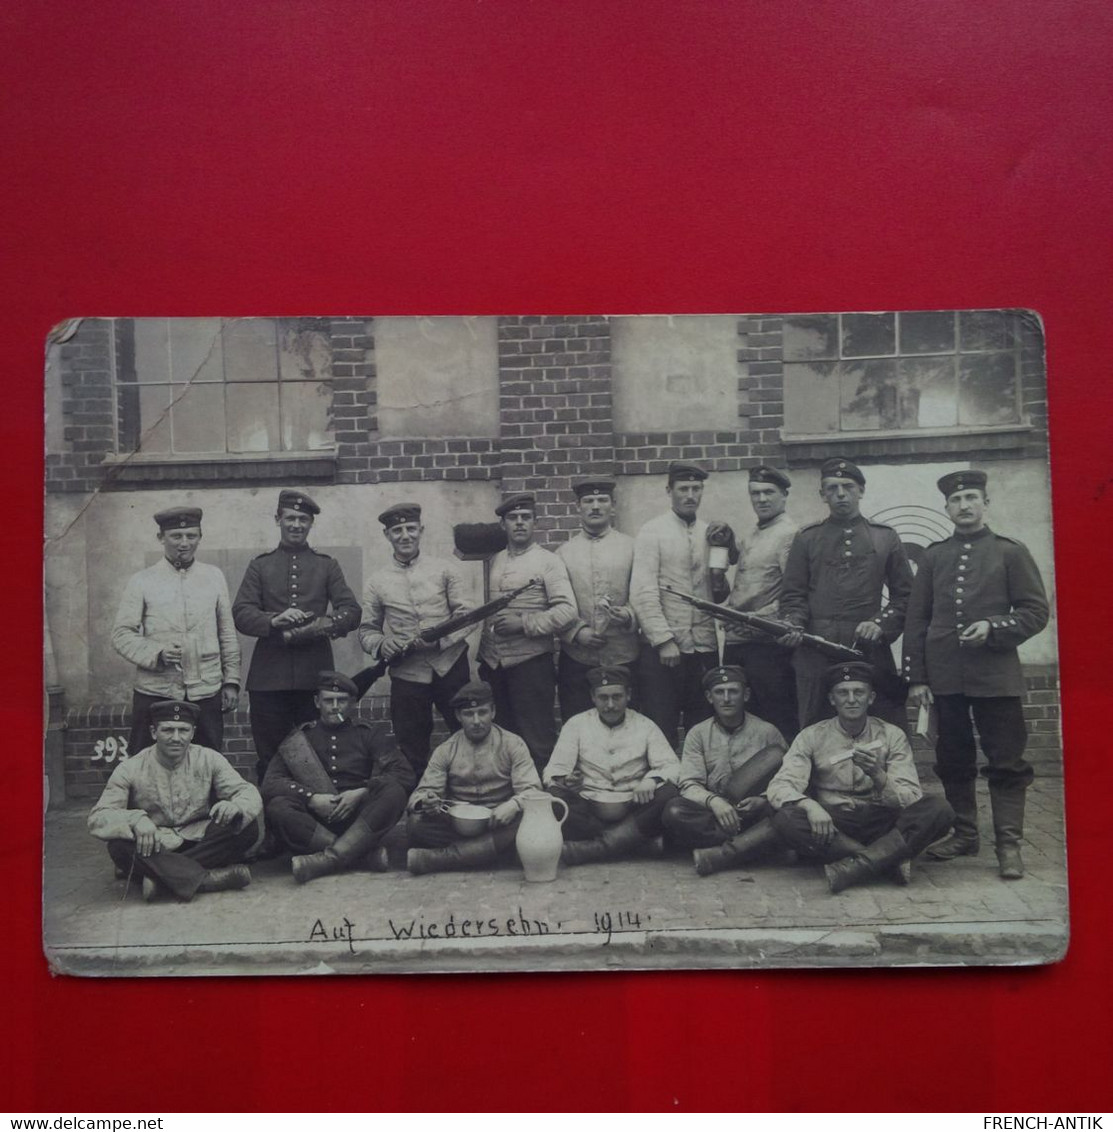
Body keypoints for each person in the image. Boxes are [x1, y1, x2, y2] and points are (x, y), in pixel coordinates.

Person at [904, 469, 1050, 879]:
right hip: (945, 676)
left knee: (1006, 760)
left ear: (986, 503)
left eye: (971, 497)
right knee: (953, 759)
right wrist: (918, 678)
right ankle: (966, 834)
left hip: (996, 676)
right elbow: (917, 619)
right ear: (946, 508)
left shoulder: (1010, 552)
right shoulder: (933, 556)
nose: (964, 505)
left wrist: (994, 628)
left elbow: (1036, 612)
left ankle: (1009, 845)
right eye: (956, 500)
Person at [766, 662, 954, 893]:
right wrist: (809, 805)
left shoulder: (891, 735)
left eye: (859, 692)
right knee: (786, 818)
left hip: (881, 819)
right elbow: (780, 785)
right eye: (843, 693)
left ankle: (854, 865)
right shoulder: (812, 735)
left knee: (938, 808)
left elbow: (911, 797)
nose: (851, 699)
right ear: (832, 699)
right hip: (835, 824)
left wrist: (878, 775)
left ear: (871, 698)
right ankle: (886, 860)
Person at [233, 490, 361, 785]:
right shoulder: (260, 565)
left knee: (316, 753)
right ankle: (277, 824)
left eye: (303, 519)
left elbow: (351, 611)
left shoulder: (327, 565)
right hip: (268, 680)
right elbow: (241, 613)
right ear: (278, 519)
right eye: (290, 518)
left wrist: (318, 626)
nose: (296, 524)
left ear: (310, 524)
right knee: (270, 756)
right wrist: (273, 620)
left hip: (313, 678)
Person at [779, 457, 913, 731]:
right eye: (832, 488)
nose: (840, 494)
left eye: (848, 486)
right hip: (816, 649)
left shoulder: (885, 537)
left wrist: (880, 624)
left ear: (861, 491)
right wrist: (794, 623)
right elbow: (793, 594)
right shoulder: (807, 538)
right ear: (822, 495)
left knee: (885, 724)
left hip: (868, 648)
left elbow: (907, 596)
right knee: (815, 726)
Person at [87, 699, 262, 902]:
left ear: (193, 732)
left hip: (199, 837)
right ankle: (205, 879)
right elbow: (98, 817)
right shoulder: (131, 767)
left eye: (183, 730)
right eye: (168, 730)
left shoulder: (209, 758)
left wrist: (235, 805)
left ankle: (161, 877)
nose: (176, 738)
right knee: (118, 846)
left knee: (247, 828)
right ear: (154, 732)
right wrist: (136, 820)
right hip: (155, 842)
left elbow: (247, 792)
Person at [261, 671, 415, 883]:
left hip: (359, 819)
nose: (335, 706)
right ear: (317, 702)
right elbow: (271, 783)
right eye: (328, 701)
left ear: (352, 703)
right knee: (277, 806)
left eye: (341, 701)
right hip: (315, 822)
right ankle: (361, 855)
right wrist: (311, 798)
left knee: (394, 792)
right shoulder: (302, 736)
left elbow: (404, 773)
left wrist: (363, 792)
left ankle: (329, 858)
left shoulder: (368, 733)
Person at [111, 506, 240, 756]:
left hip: (206, 690)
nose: (184, 543)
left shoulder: (213, 577)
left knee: (208, 759)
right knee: (145, 759)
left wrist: (231, 681)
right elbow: (121, 634)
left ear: (200, 538)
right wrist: (157, 653)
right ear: (161, 538)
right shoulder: (142, 580)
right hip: (156, 691)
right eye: (176, 536)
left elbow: (227, 633)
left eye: (191, 536)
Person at [358, 502, 473, 775]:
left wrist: (440, 641)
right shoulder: (377, 582)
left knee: (468, 732)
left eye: (411, 528)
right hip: (407, 676)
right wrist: (383, 644)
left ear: (421, 530)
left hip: (451, 667)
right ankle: (418, 806)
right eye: (397, 530)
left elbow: (467, 614)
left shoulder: (445, 570)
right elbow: (367, 630)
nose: (405, 535)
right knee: (411, 747)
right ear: (387, 536)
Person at [630, 461, 733, 747]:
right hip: (665, 649)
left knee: (702, 723)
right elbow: (643, 591)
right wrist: (663, 639)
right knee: (660, 723)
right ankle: (664, 782)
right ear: (669, 490)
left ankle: (698, 782)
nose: (690, 495)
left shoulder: (710, 532)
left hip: (704, 647)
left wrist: (718, 579)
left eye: (696, 489)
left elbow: (719, 596)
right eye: (683, 488)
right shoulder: (653, 531)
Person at [477, 493, 577, 771]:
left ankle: (543, 802)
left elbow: (567, 611)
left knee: (537, 739)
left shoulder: (548, 561)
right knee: (502, 739)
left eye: (525, 517)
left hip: (531, 664)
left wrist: (524, 623)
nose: (519, 523)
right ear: (503, 525)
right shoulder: (492, 561)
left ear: (535, 522)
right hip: (493, 665)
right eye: (512, 518)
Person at [405, 680, 547, 874]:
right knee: (416, 825)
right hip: (459, 824)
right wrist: (427, 801)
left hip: (500, 821)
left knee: (529, 818)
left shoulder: (513, 744)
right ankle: (486, 853)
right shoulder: (446, 750)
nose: (477, 721)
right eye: (468, 714)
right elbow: (421, 794)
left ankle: (439, 859)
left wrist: (513, 805)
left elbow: (533, 790)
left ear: (493, 712)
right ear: (458, 716)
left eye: (482, 712)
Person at [543, 665, 680, 865]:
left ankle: (598, 847)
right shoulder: (576, 725)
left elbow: (672, 766)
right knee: (554, 798)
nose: (610, 705)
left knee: (669, 793)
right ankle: (632, 844)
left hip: (634, 807)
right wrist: (565, 780)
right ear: (592, 697)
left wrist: (652, 780)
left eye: (617, 697)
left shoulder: (645, 725)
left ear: (628, 695)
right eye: (603, 698)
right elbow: (553, 771)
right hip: (589, 809)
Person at [661, 665, 788, 875]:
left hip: (754, 811)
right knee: (674, 811)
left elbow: (786, 778)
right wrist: (715, 802)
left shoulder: (767, 732)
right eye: (720, 692)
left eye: (733, 691)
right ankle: (755, 846)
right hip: (713, 812)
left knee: (785, 814)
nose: (726, 698)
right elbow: (689, 783)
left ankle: (730, 850)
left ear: (745, 695)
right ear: (710, 697)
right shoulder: (698, 733)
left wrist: (764, 799)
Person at [720, 466, 800, 742]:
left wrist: (751, 620)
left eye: (769, 492)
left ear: (784, 495)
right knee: (743, 723)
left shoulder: (789, 534)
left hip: (768, 649)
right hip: (739, 645)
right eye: (755, 493)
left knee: (774, 722)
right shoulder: (754, 532)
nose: (762, 499)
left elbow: (794, 596)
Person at [554, 478, 639, 720]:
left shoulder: (632, 548)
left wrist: (629, 615)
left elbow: (645, 594)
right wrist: (576, 632)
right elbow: (555, 603)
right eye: (588, 501)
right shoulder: (563, 553)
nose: (595, 506)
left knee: (628, 723)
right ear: (578, 507)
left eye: (602, 500)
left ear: (613, 506)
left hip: (624, 655)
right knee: (577, 721)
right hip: (578, 659)